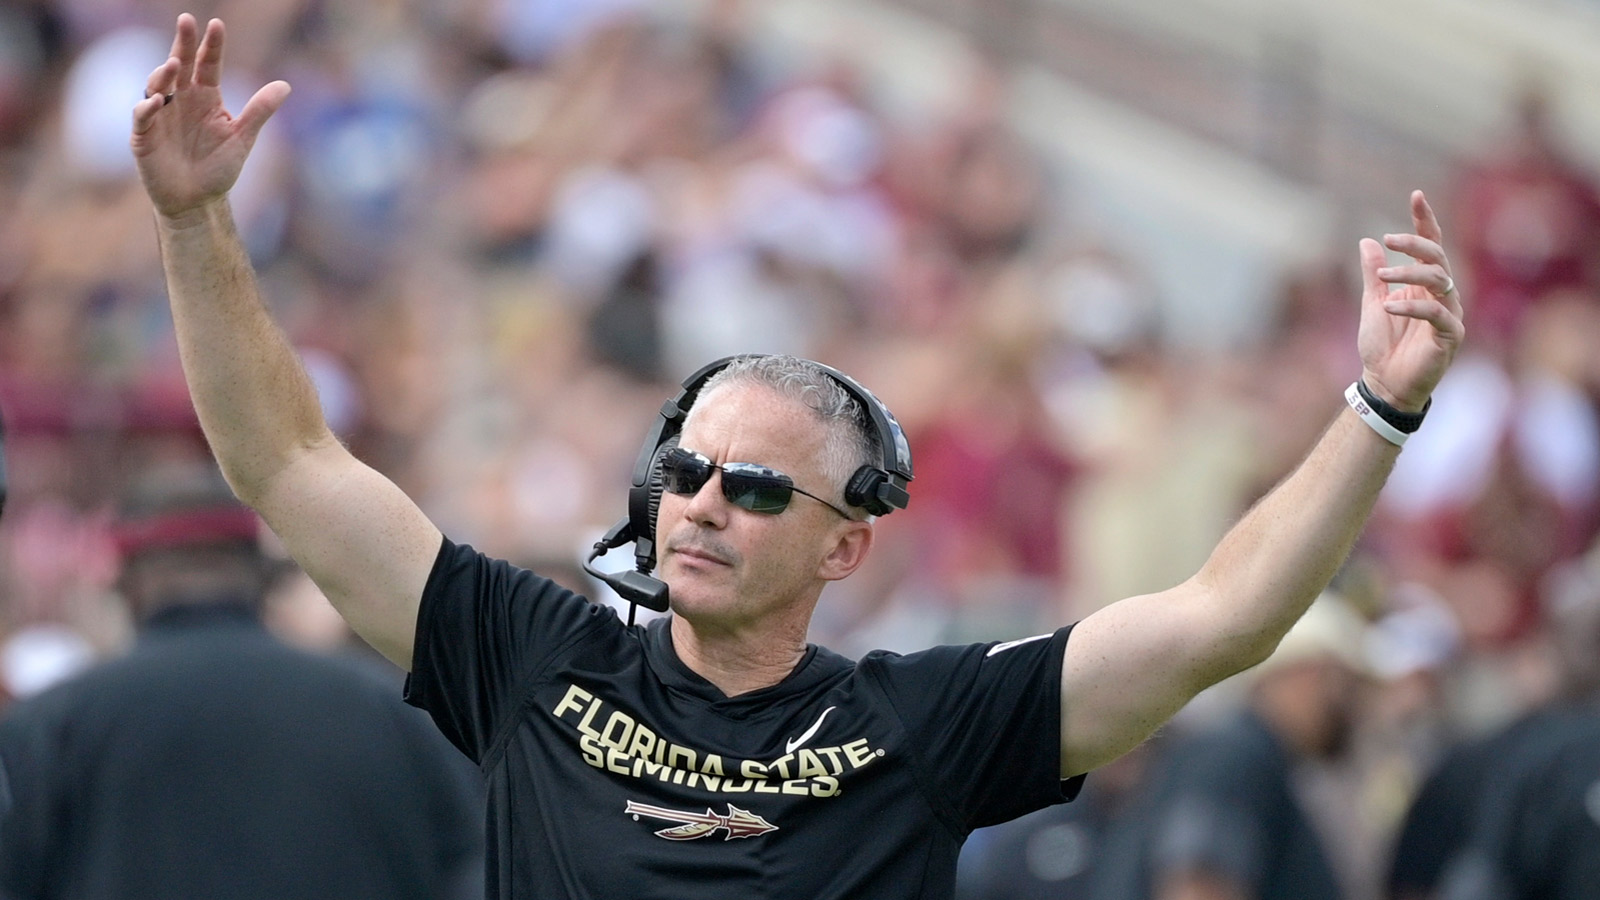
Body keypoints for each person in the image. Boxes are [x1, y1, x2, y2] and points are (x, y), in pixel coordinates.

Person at [129, 13, 1465, 900]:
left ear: (847, 543)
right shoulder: (536, 656)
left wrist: (1379, 409)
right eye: (687, 473)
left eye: (757, 487)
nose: (703, 505)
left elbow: (1224, 618)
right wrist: (194, 225)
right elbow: (289, 462)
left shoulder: (920, 724)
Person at [0, 461, 484, 900]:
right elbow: (471, 873)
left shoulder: (48, 726)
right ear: (260, 574)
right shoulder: (393, 710)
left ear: (126, 582)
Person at [1088, 596, 1372, 900]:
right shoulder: (1234, 756)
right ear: (1307, 674)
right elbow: (1198, 885)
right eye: (1349, 683)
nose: (1357, 705)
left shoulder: (1251, 754)